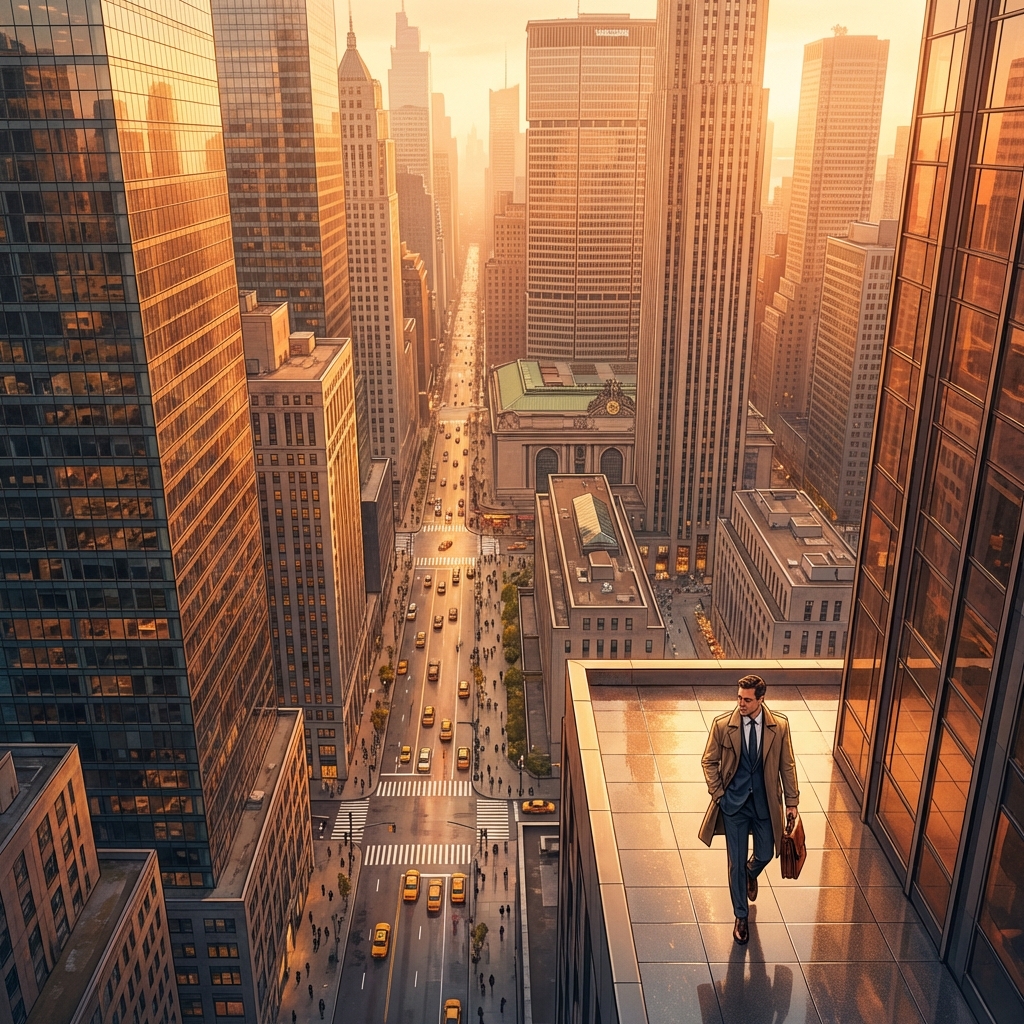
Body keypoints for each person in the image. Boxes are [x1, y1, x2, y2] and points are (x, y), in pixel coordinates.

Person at [699, 674, 799, 946]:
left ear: (761, 699)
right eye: (739, 698)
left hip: (765, 803)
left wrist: (792, 802)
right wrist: (719, 794)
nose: (740, 704)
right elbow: (708, 761)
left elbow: (787, 765)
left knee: (766, 852)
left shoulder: (779, 726)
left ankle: (750, 873)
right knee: (735, 863)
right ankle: (740, 917)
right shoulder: (723, 725)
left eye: (747, 699)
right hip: (734, 805)